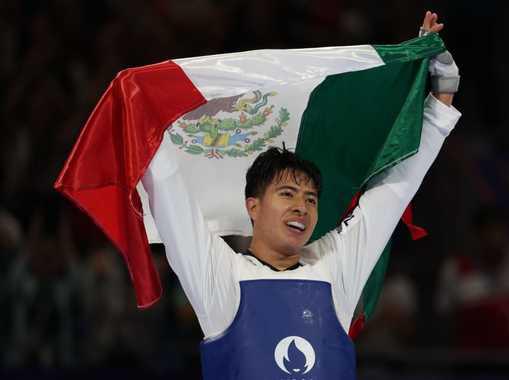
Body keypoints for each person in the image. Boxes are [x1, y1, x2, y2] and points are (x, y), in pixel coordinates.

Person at [142, 11, 461, 379]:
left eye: (311, 199)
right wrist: (140, 106)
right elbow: (169, 193)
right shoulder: (221, 278)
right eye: (288, 193)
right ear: (253, 206)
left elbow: (393, 192)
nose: (302, 207)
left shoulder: (335, 269)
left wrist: (439, 100)